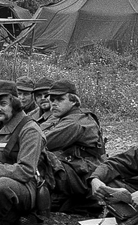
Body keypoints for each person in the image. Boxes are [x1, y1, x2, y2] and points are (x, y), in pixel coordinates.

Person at [0, 80, 50, 225]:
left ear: (15, 103)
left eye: (2, 104)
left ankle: (3, 219)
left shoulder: (30, 129)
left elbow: (25, 171)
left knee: (2, 185)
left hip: (24, 187)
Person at [39, 80, 105, 216]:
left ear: (73, 101)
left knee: (38, 159)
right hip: (78, 170)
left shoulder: (73, 122)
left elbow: (40, 142)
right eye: (52, 100)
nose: (54, 103)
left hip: (84, 176)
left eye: (60, 99)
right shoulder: (67, 116)